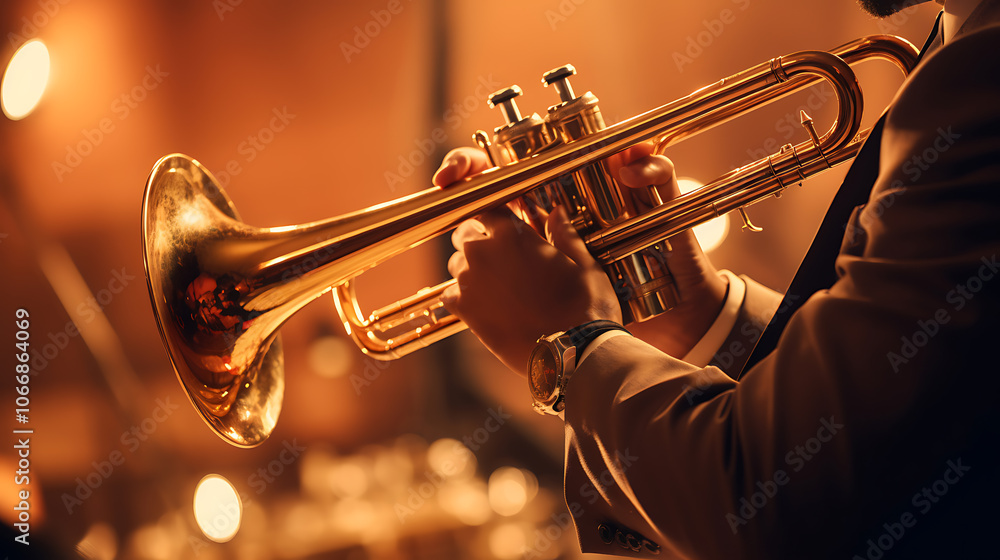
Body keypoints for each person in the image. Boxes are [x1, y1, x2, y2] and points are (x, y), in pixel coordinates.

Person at [432, 0, 1000, 558]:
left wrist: (571, 344)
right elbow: (895, 396)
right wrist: (694, 315)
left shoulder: (981, 71)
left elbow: (781, 509)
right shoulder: (962, 34)